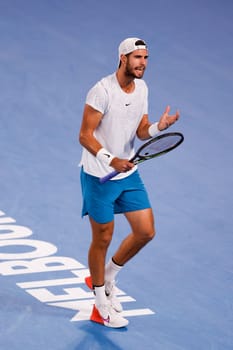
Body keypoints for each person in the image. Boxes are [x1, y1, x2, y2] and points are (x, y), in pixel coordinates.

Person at [79, 37, 180, 328]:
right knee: (103, 238)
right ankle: (99, 305)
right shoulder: (101, 91)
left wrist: (160, 126)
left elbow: (141, 131)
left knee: (146, 232)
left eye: (146, 58)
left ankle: (106, 276)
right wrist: (111, 160)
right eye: (137, 58)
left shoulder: (142, 88)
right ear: (122, 58)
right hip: (100, 176)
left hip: (128, 173)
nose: (143, 64)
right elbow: (85, 135)